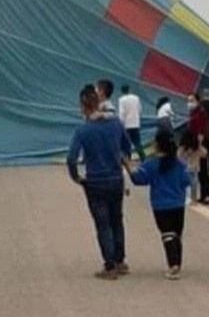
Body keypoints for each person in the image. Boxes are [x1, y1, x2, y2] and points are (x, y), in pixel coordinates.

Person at [67, 84, 133, 280]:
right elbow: (127, 146)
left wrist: (76, 177)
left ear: (83, 106)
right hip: (115, 178)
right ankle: (120, 260)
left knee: (103, 224)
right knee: (117, 220)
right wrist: (122, 163)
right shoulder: (116, 124)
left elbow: (71, 158)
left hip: (95, 181)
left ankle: (110, 265)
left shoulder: (83, 130)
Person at [130, 130, 192, 280]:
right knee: (177, 234)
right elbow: (187, 180)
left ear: (157, 145)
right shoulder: (179, 163)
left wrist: (129, 167)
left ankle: (173, 265)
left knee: (167, 234)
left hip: (161, 205)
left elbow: (139, 179)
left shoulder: (151, 164)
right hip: (178, 203)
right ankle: (177, 262)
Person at [183, 93, 209, 204]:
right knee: (199, 171)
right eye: (188, 100)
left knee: (203, 171)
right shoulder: (193, 113)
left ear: (197, 100)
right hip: (194, 144)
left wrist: (200, 143)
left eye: (192, 100)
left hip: (200, 143)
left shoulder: (201, 112)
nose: (189, 103)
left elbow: (203, 129)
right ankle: (204, 194)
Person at [118, 85, 145, 161]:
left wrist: (121, 124)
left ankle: (128, 159)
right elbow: (140, 110)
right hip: (135, 124)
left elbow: (121, 113)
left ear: (122, 91)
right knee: (137, 143)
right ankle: (143, 158)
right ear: (129, 90)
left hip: (126, 125)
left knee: (126, 143)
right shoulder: (136, 98)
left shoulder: (121, 100)